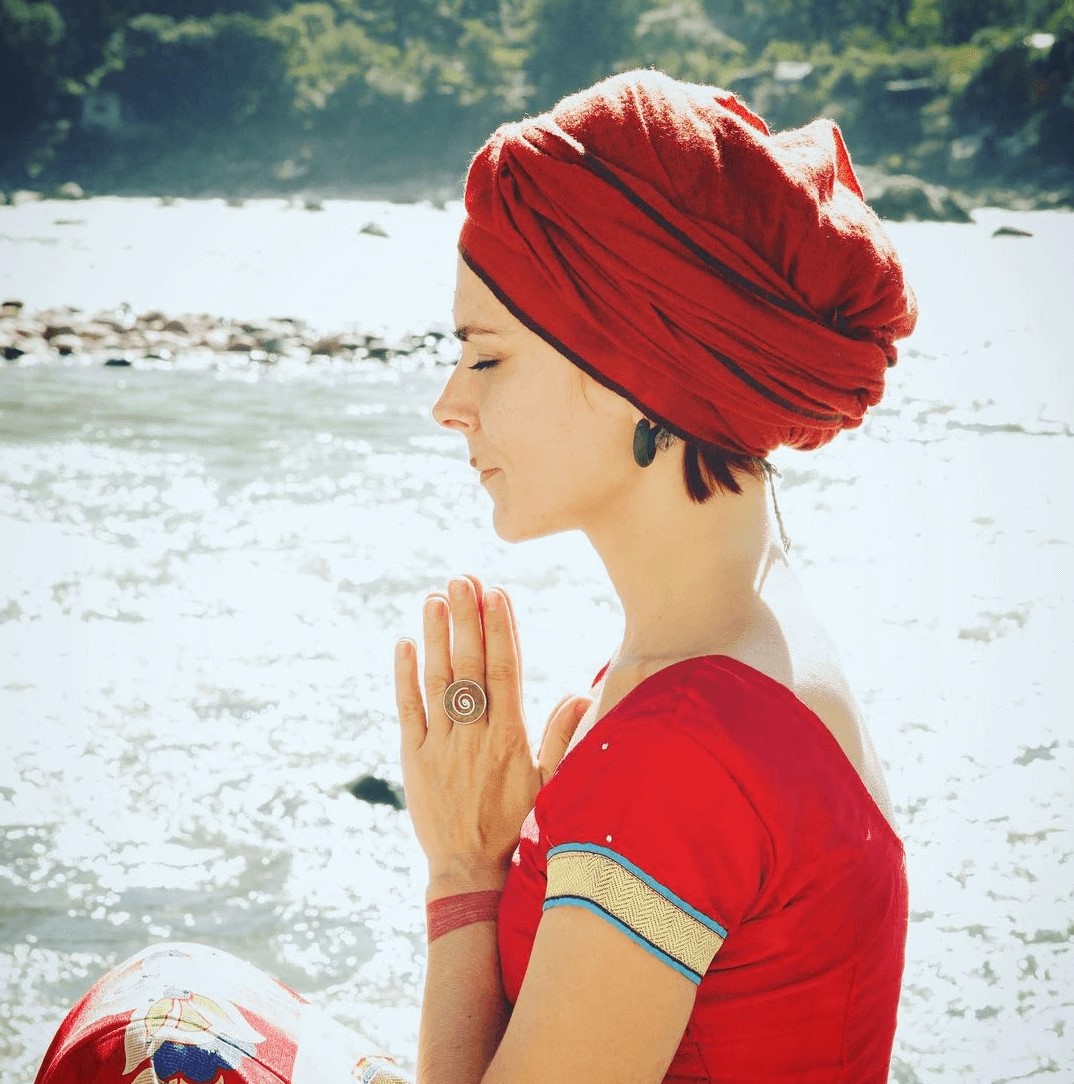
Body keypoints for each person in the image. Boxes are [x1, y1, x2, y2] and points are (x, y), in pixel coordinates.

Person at [35, 69, 916, 1084]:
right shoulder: (742, 644)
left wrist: (462, 874)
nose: (448, 404)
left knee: (138, 1034)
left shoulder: (684, 746)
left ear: (640, 365)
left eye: (486, 358)